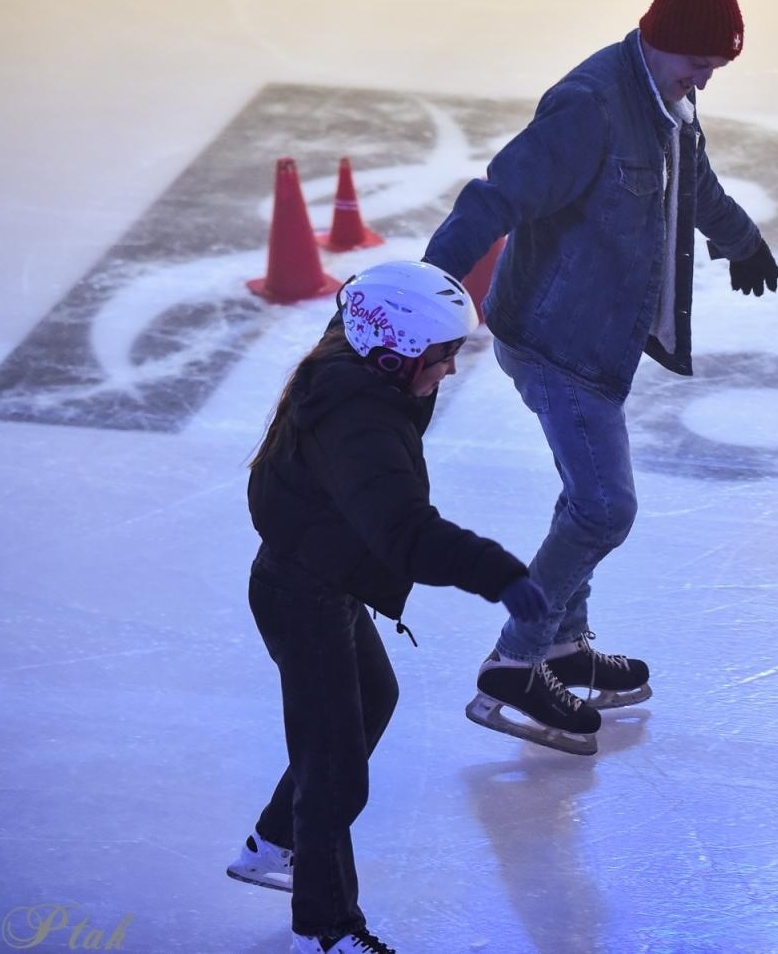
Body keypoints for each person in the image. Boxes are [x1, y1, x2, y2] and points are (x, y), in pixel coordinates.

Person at [421, 0, 778, 755]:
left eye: (717, 68)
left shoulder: (669, 102)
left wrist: (742, 242)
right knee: (603, 506)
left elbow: (696, 190)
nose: (707, 80)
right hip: (555, 341)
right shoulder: (590, 107)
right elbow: (496, 196)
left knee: (583, 499)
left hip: (599, 341)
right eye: (700, 63)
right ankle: (517, 659)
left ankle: (559, 643)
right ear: (662, 42)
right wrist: (430, 286)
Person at [227, 260, 592, 954]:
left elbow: (373, 300)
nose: (449, 372)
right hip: (300, 592)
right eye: (441, 357)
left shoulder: (363, 356)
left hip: (322, 578)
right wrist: (503, 576)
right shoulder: (358, 424)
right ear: (394, 354)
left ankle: (273, 842)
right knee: (333, 768)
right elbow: (405, 533)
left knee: (373, 698)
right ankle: (326, 929)